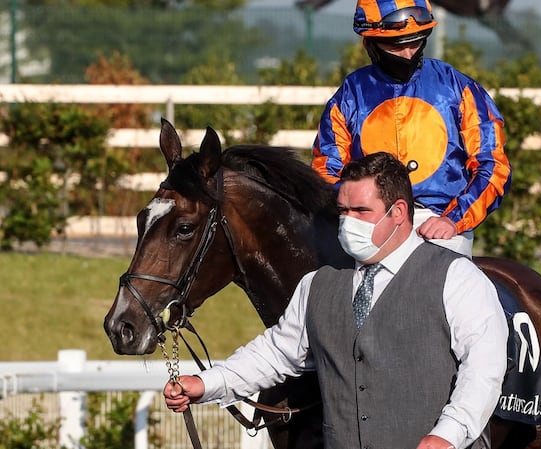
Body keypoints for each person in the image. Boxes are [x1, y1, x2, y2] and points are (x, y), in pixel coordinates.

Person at [164, 152, 508, 449]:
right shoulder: (317, 285)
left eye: (361, 210)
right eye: (343, 211)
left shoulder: (457, 278)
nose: (348, 222)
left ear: (399, 212)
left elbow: (484, 368)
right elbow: (275, 353)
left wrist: (447, 435)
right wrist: (207, 384)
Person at [311, 0, 512, 258]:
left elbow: (493, 165)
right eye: (395, 44)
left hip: (440, 220)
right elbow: (326, 170)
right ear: (368, 43)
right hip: (369, 221)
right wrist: (361, 210)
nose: (407, 53)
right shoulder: (348, 96)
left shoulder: (460, 88)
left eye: (415, 41)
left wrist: (454, 219)